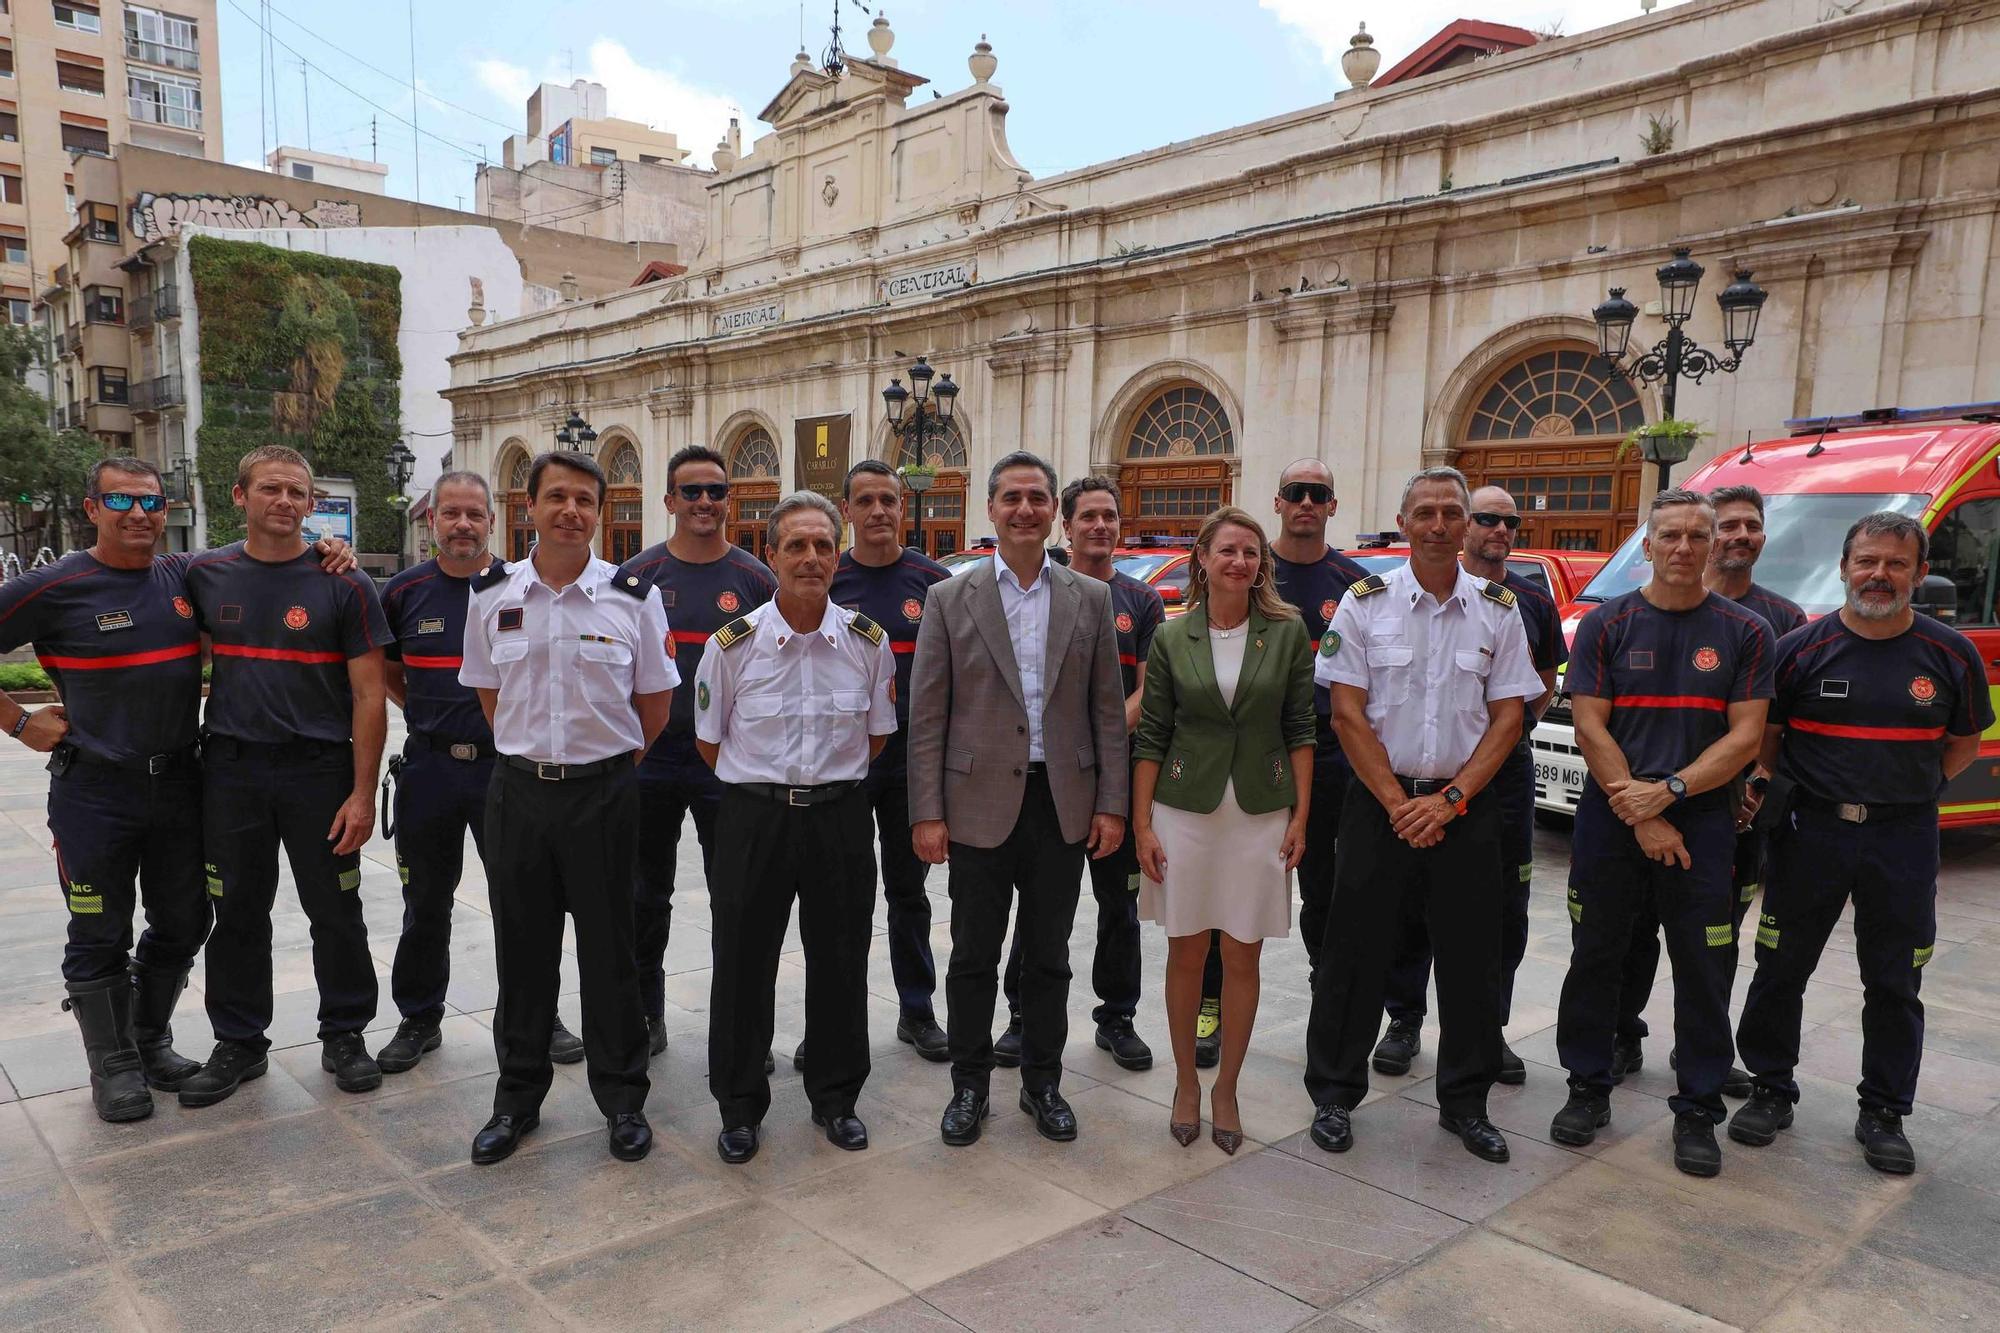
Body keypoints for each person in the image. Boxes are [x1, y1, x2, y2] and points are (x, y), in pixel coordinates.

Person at [1730, 512, 1992, 1174]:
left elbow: (1962, 744)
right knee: (1781, 965)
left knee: (1896, 979)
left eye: (1896, 563)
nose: (1879, 574)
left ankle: (1884, 1111)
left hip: (1902, 836)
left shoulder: (1952, 654)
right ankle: (1769, 1088)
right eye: (1867, 561)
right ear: (1844, 568)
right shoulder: (1801, 648)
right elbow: (1770, 734)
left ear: (1920, 574)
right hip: (1810, 831)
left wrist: (1902, 787)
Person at [1302, 467, 1542, 1164]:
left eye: (1451, 513)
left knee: (1473, 959)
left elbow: (1508, 718)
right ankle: (1334, 1095)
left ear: (1468, 525)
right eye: (1425, 512)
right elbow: (1345, 713)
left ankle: (1465, 1103)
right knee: (1353, 954)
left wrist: (1451, 799)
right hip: (1381, 805)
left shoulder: (1498, 609)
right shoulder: (1363, 603)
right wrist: (1398, 802)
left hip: (1463, 809)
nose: (1439, 525)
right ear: (1403, 522)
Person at [459, 450, 675, 1166]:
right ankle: (516, 1101)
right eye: (557, 497)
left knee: (611, 953)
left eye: (585, 499)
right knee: (523, 954)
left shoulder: (633, 596)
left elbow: (655, 703)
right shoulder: (491, 592)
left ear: (599, 511)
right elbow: (490, 694)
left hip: (605, 795)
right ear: (530, 506)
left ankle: (623, 1100)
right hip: (518, 792)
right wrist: (534, 755)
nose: (571, 511)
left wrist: (601, 763)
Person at [1550, 487, 1773, 1178]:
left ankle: (1699, 1108)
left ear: (1712, 547)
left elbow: (1746, 736)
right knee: (1597, 955)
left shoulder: (1745, 631)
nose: (1682, 548)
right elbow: (1590, 725)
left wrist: (1672, 792)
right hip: (1615, 820)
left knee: (1704, 968)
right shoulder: (1606, 624)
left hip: (1702, 824)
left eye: (1695, 537)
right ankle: (1588, 1087)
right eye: (1669, 535)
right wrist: (1643, 812)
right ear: (1646, 545)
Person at [907, 451, 1127, 1147]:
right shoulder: (951, 597)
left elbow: (1107, 711)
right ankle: (970, 1086)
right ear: (992, 510)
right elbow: (928, 713)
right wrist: (927, 811)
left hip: (1061, 802)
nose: (1025, 509)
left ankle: (1043, 1082)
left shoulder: (1088, 599)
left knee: (1048, 955)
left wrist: (1112, 803)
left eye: (1037, 497)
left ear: (1052, 512)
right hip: (975, 807)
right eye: (1012, 498)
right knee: (973, 953)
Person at [178, 446, 392, 1107]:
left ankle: (345, 1033)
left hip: (319, 772)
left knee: (336, 910)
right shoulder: (201, 573)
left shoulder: (343, 581)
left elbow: (369, 696)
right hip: (233, 772)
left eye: (299, 493)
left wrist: (361, 792)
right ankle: (239, 1040)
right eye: (271, 489)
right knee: (237, 911)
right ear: (240, 496)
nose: (286, 502)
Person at [0, 460, 209, 1121]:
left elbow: (261, 558)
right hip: (95, 792)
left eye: (150, 500)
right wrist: (19, 722)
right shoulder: (56, 584)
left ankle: (148, 1040)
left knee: (184, 921)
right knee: (98, 931)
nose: (138, 512)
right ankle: (113, 1066)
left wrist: (328, 545)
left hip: (178, 784)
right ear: (93, 507)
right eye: (120, 499)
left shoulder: (182, 577)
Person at [696, 491, 898, 1164]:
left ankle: (836, 1097)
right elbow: (708, 741)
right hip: (754, 817)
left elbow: (875, 738)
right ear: (771, 555)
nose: (811, 558)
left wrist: (823, 784)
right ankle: (740, 1104)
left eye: (822, 545)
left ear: (835, 554)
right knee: (742, 963)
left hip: (839, 816)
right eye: (797, 545)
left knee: (841, 960)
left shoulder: (867, 643)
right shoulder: (734, 645)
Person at [374, 471, 582, 1074]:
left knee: (525, 904)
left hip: (507, 771)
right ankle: (419, 1018)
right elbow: (389, 674)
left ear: (493, 520)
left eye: (474, 514)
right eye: (450, 514)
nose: (462, 524)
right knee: (425, 901)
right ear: (431, 520)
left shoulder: (520, 587)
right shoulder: (404, 592)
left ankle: (541, 1017)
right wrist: (425, 714)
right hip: (431, 770)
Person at [1607, 484, 1805, 1093]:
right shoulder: (1630, 616)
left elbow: (1774, 726)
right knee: (1633, 927)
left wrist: (1761, 783)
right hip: (1643, 805)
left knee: (1712, 941)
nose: (1739, 535)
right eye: (1731, 524)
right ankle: (1620, 1035)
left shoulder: (1780, 622)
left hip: (1733, 813)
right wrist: (1646, 800)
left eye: (1751, 525)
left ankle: (1704, 1055)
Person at [1133, 506, 1313, 1153]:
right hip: (1183, 811)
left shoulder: (1286, 633)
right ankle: (1186, 1081)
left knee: (1242, 953)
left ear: (1260, 564)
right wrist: (1142, 824)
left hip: (1260, 812)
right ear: (1202, 560)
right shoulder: (1172, 636)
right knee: (1187, 952)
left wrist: (1301, 815)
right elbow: (1152, 733)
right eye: (1228, 550)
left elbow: (1301, 729)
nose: (1240, 561)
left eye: (1250, 552)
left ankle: (1227, 1086)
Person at [1377, 485, 1563, 1085]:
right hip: (1420, 779)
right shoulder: (1408, 596)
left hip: (1501, 779)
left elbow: (1542, 681)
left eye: (1510, 521)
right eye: (1485, 519)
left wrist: (1499, 742)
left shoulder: (1528, 603)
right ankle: (1403, 1021)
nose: (1498, 530)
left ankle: (1488, 1029)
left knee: (1500, 911)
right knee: (1406, 906)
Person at [1193, 461, 1370, 1067]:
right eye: (1296, 492)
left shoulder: (1355, 582)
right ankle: (1210, 1004)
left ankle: (1329, 1004)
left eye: (1318, 494)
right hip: (1244, 754)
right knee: (1224, 889)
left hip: (1331, 748)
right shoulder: (1247, 566)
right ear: (1278, 500)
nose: (1306, 503)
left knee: (1329, 887)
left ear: (1332, 505)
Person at [999, 477, 1163, 1073]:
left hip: (1115, 774)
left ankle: (1117, 1016)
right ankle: (1022, 1017)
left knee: (1119, 907)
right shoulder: (1038, 592)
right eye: (1088, 516)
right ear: (1066, 525)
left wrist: (1094, 741)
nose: (1100, 526)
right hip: (1048, 782)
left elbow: (1150, 690)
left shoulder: (1141, 602)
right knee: (1040, 906)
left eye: (1110, 516)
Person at [617, 445, 776, 1061]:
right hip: (650, 761)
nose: (705, 502)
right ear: (668, 501)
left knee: (735, 898)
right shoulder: (636, 577)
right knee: (643, 898)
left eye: (716, 491)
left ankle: (739, 1026)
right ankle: (645, 1014)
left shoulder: (756, 580)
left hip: (727, 765)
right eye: (692, 492)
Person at [831, 460, 952, 1062]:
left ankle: (917, 1009)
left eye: (889, 500)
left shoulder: (935, 583)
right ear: (846, 509)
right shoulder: (827, 578)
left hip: (911, 762)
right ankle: (833, 1019)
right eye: (867, 501)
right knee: (842, 897)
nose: (879, 511)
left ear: (903, 508)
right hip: (846, 763)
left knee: (909, 892)